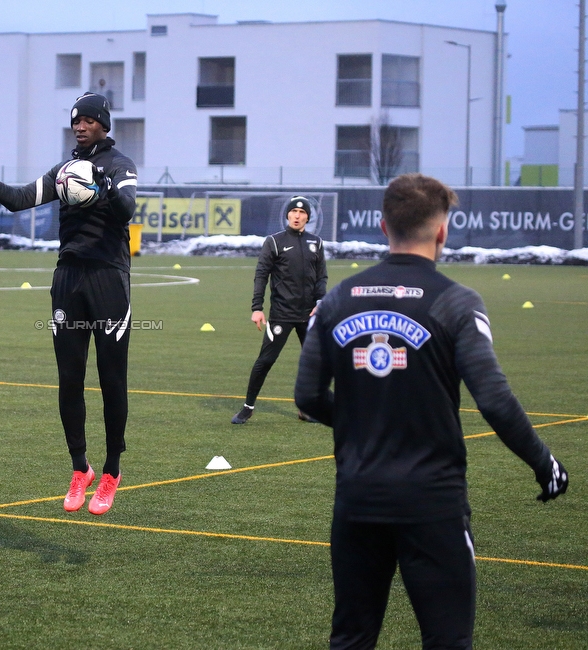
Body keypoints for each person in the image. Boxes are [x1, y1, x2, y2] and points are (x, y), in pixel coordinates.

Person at [294, 173, 568, 649]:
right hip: (433, 503)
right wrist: (546, 465)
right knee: (447, 640)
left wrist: (365, 419)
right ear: (442, 231)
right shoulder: (457, 302)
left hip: (359, 499)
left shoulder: (336, 300)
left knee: (352, 639)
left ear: (383, 227)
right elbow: (495, 400)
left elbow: (307, 397)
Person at [0, 92, 137, 516]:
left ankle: (112, 471)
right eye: (75, 121)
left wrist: (104, 185)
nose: (80, 127)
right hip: (68, 278)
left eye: (88, 120)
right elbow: (16, 199)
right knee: (69, 378)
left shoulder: (120, 166)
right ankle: (79, 467)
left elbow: (127, 210)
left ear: (103, 123)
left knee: (111, 380)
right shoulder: (63, 171)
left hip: (108, 279)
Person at [232, 196, 327, 424]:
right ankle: (247, 407)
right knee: (265, 361)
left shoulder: (317, 243)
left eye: (302, 212)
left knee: (314, 363)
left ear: (307, 217)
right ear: (287, 215)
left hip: (309, 316)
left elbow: (321, 277)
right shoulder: (274, 241)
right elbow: (261, 275)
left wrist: (321, 301)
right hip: (281, 315)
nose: (297, 215)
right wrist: (257, 307)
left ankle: (306, 409)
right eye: (293, 211)